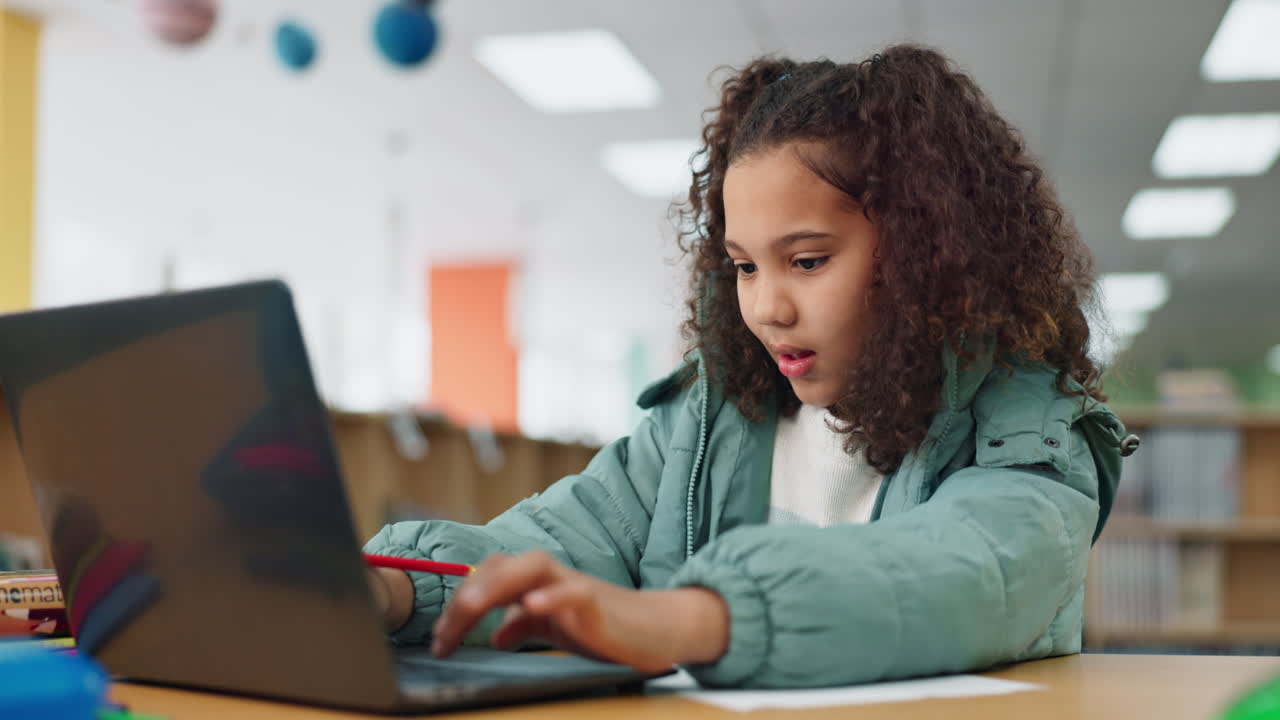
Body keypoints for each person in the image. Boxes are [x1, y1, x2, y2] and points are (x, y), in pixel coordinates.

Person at [363, 44, 1130, 688]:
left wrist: (685, 618)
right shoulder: (707, 418)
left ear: (930, 251)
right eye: (744, 267)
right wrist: (394, 586)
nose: (766, 308)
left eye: (805, 260)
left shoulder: (1032, 427)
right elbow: (558, 542)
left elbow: (972, 574)